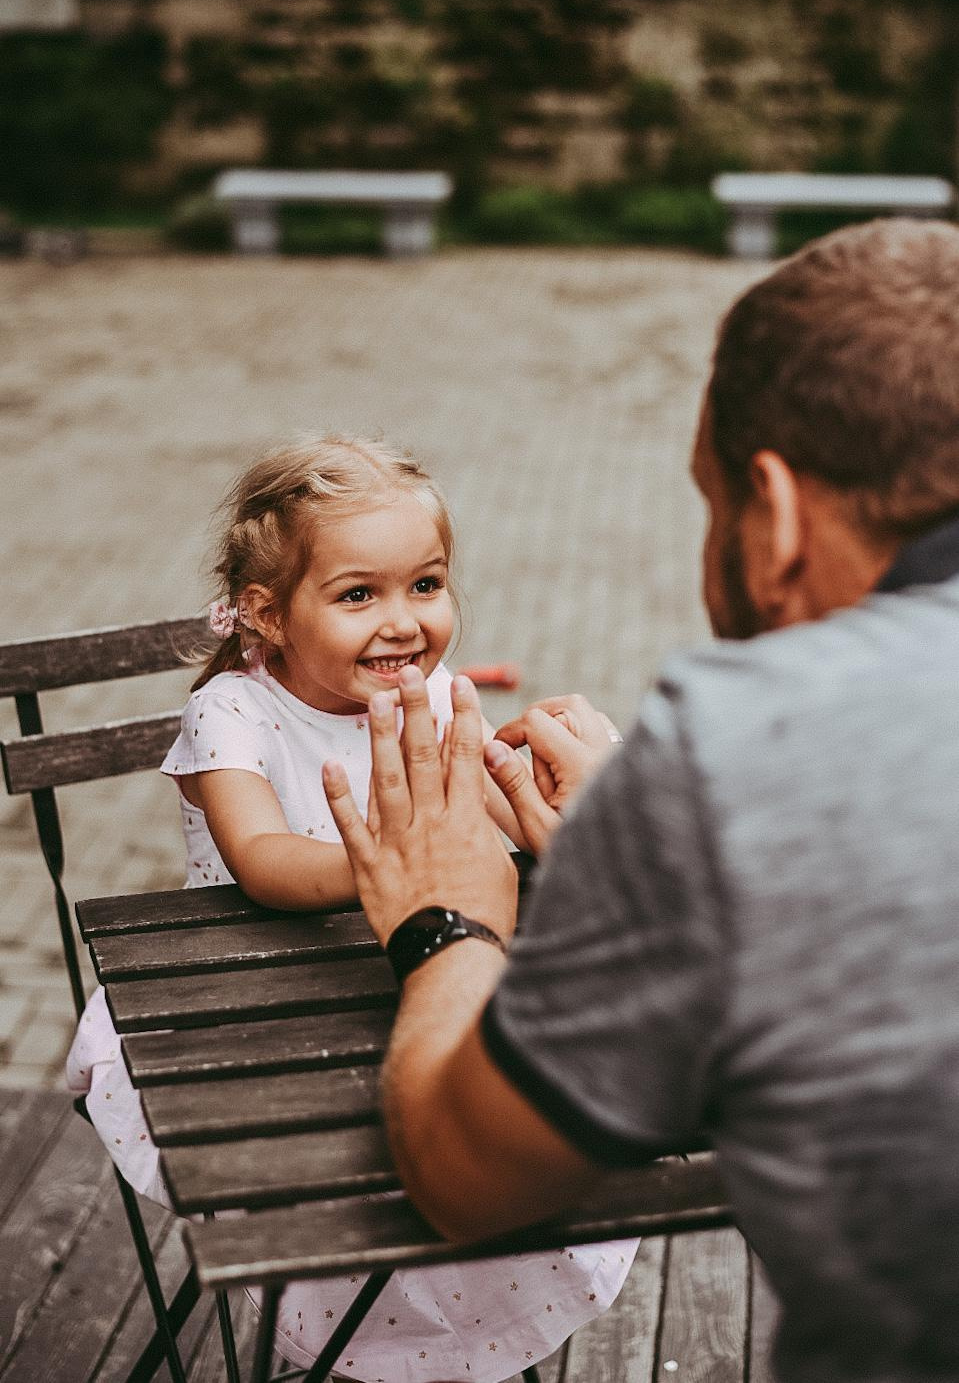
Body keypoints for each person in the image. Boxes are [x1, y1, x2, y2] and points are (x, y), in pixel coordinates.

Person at [322, 220, 959, 1383]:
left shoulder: (738, 749)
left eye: (710, 509)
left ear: (770, 515)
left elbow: (467, 1175)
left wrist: (445, 915)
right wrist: (648, 867)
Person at [65, 435, 638, 1382]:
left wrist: (556, 815)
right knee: (350, 1162)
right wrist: (402, 868)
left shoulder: (438, 699)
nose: (404, 622)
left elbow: (501, 813)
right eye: (358, 594)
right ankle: (354, 1341)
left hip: (394, 984)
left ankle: (438, 1338)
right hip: (249, 1003)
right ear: (268, 613)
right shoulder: (231, 713)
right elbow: (262, 861)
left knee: (496, 1118)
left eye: (426, 585)